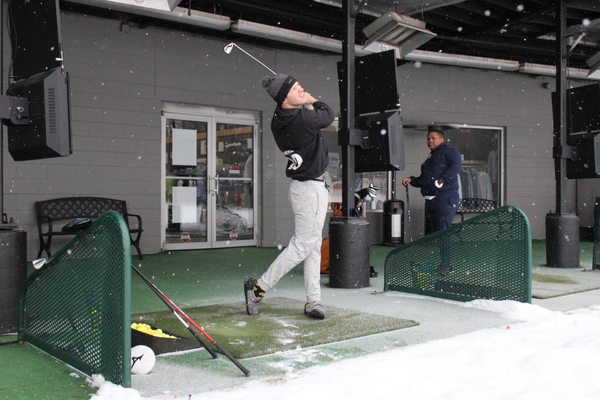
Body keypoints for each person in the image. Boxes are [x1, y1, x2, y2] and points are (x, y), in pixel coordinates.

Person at [244, 73, 335, 320]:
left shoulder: (279, 119)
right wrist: (312, 99)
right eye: (296, 88)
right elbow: (328, 113)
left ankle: (313, 300)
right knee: (303, 245)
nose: (302, 89)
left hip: (303, 188)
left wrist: (300, 98)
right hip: (310, 190)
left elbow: (313, 113)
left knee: (313, 245)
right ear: (285, 98)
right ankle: (258, 289)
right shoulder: (303, 119)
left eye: (300, 85)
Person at [402, 128, 462, 233]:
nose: (430, 141)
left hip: (444, 197)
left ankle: (444, 250)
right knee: (435, 232)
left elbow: (456, 166)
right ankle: (439, 249)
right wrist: (411, 180)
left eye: (433, 138)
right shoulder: (431, 157)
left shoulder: (449, 150)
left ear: (442, 140)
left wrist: (443, 180)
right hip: (430, 199)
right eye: (428, 139)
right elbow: (424, 179)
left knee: (442, 231)